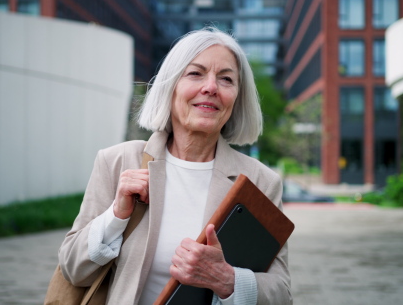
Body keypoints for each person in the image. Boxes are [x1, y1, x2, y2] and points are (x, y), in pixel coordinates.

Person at [58, 28, 292, 304]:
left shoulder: (260, 182)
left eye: (226, 79)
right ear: (170, 87)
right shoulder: (117, 162)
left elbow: (281, 293)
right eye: (195, 73)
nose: (211, 87)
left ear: (237, 98)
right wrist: (116, 217)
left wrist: (226, 280)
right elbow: (73, 270)